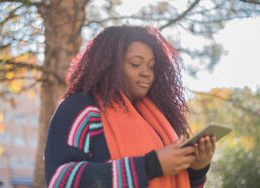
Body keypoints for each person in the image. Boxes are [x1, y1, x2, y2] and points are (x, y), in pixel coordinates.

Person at [44, 25, 215, 188]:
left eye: (151, 66)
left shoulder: (157, 120)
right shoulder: (80, 107)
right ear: (109, 65)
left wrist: (196, 171)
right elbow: (61, 180)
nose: (145, 72)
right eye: (135, 63)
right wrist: (150, 166)